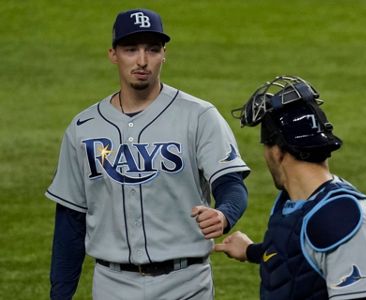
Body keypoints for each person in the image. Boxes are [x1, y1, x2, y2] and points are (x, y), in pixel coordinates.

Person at [45, 8, 250, 300]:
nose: (142, 61)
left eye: (152, 50)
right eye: (131, 49)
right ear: (113, 54)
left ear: (164, 54)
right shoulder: (83, 128)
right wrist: (60, 295)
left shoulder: (199, 116)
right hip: (111, 285)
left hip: (186, 283)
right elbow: (70, 220)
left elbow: (231, 184)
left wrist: (224, 214)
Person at [215, 75, 366, 300]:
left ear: (277, 152)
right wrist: (250, 251)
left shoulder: (340, 217)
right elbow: (298, 249)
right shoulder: (298, 202)